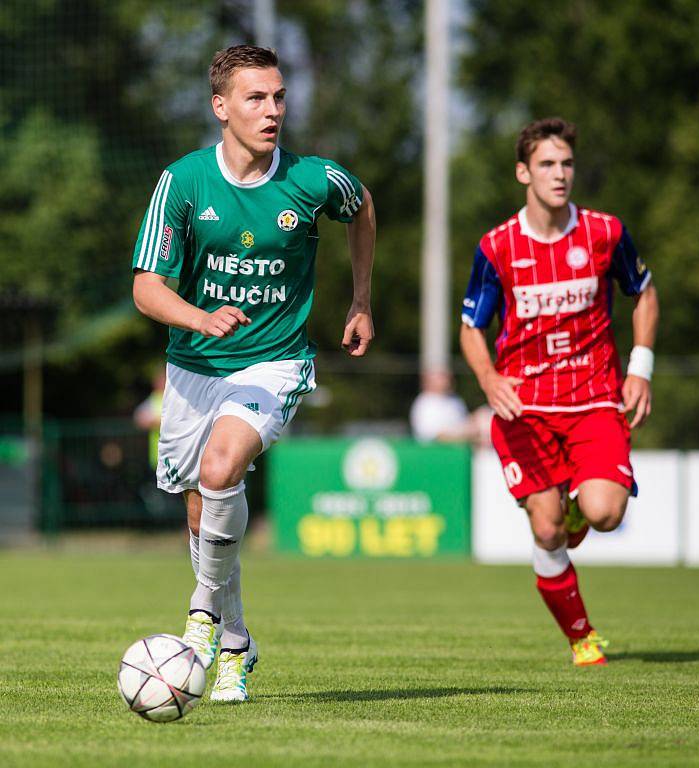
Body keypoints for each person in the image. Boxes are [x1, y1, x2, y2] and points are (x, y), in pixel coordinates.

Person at [131, 45, 375, 701]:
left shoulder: (314, 179)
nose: (272, 111)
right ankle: (236, 644)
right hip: (193, 366)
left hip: (276, 361)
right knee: (200, 508)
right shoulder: (182, 183)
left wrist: (360, 300)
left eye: (278, 97)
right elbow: (147, 288)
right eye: (255, 98)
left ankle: (203, 617)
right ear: (220, 106)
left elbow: (363, 207)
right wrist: (199, 316)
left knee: (221, 468)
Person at [459, 117, 659, 666]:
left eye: (567, 163)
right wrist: (489, 379)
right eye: (547, 164)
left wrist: (639, 367)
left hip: (593, 400)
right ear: (524, 172)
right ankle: (581, 636)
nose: (560, 173)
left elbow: (643, 293)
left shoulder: (605, 233)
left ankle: (580, 507)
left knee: (605, 513)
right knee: (547, 530)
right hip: (524, 409)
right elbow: (471, 327)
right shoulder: (497, 246)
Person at [409, 368, 491, 446]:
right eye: (441, 377)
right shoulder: (424, 403)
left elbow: (464, 421)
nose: (446, 379)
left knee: (485, 414)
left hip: (461, 440)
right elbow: (432, 437)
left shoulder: (454, 400)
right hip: (437, 451)